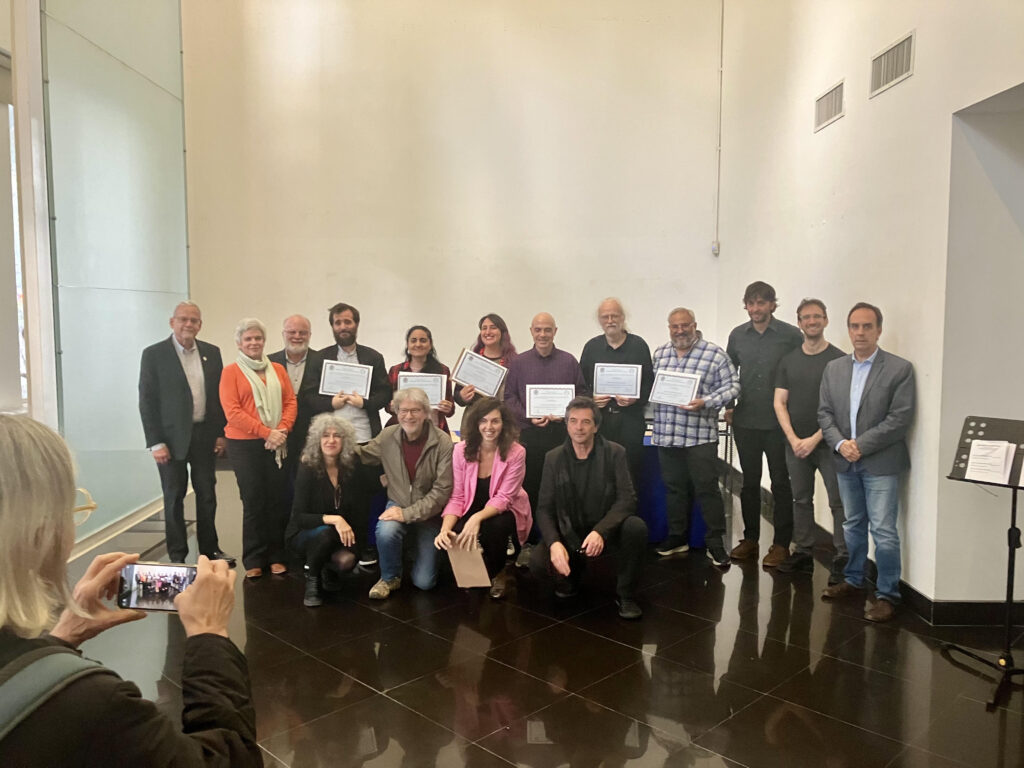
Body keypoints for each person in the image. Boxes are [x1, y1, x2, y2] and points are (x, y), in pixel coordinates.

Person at [0, 414, 259, 766]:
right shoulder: (95, 704)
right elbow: (229, 757)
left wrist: (58, 642)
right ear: (36, 528)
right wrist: (209, 636)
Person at [819, 302, 915, 622]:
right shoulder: (834, 368)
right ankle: (853, 578)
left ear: (879, 330)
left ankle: (887, 594)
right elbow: (825, 413)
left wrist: (859, 445)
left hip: (881, 463)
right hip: (845, 461)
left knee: (884, 530)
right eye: (854, 326)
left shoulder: (899, 369)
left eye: (867, 326)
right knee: (852, 524)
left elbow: (899, 419)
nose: (860, 333)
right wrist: (840, 443)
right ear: (847, 330)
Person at [530, 397, 648, 620]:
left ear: (596, 426)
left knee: (636, 527)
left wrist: (600, 531)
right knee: (537, 562)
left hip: (605, 529)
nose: (579, 427)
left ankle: (626, 595)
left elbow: (627, 499)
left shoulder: (615, 453)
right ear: (566, 425)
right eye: (573, 421)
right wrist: (554, 543)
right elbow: (544, 509)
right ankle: (569, 581)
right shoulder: (553, 458)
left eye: (585, 422)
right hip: (569, 531)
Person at [138, 301, 234, 566]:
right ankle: (178, 556)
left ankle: (209, 551)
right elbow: (147, 401)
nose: (188, 324)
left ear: (200, 325)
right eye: (183, 319)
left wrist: (220, 433)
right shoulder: (154, 354)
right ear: (172, 322)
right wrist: (155, 442)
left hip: (204, 435)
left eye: (194, 320)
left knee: (207, 494)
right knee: (174, 496)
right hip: (169, 440)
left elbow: (218, 396)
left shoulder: (212, 353)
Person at [652, 308, 740, 567]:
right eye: (674, 326)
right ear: (669, 328)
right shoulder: (660, 354)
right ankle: (677, 537)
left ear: (694, 325)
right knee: (674, 489)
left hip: (699, 436)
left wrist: (707, 401)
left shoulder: (714, 354)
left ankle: (715, 542)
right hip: (667, 435)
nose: (680, 331)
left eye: (685, 325)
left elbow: (733, 385)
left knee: (707, 489)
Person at [726, 281, 803, 567]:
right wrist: (729, 407)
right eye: (751, 302)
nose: (756, 308)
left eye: (762, 302)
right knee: (748, 482)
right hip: (745, 420)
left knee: (781, 482)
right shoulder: (737, 335)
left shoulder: (790, 335)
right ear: (745, 305)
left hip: (778, 423)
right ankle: (750, 540)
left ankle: (781, 544)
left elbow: (800, 371)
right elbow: (728, 374)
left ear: (772, 304)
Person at [310, 302, 391, 567]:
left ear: (356, 324)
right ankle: (339, 546)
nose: (343, 327)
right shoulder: (319, 357)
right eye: (338, 323)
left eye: (348, 322)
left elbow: (385, 394)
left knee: (368, 493)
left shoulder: (373, 357)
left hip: (365, 437)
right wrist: (329, 404)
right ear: (332, 326)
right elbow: (308, 397)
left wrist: (365, 402)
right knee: (336, 494)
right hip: (332, 441)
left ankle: (367, 545)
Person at [772, 299, 848, 580]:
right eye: (806, 317)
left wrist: (815, 438)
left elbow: (843, 407)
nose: (812, 321)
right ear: (799, 323)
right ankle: (803, 551)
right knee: (800, 498)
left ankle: (842, 557)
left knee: (837, 502)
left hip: (830, 444)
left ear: (826, 320)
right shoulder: (788, 360)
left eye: (817, 316)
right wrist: (793, 439)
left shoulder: (840, 360)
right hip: (796, 445)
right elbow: (780, 402)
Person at [357, 388, 454, 600]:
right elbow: (363, 455)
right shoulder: (387, 436)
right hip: (398, 502)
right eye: (403, 410)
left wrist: (407, 514)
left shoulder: (443, 441)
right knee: (385, 530)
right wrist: (334, 445)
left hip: (430, 513)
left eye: (415, 410)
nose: (408, 416)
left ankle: (416, 550)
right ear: (396, 412)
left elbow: (442, 491)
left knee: (424, 583)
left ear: (426, 412)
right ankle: (390, 577)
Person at [220, 317, 297, 579]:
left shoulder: (278, 368)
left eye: (258, 338)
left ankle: (277, 555)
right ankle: (254, 557)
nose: (254, 342)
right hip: (244, 445)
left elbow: (290, 402)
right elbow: (232, 412)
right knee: (253, 501)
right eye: (248, 339)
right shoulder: (230, 372)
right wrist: (267, 432)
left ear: (264, 341)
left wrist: (282, 430)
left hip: (278, 442)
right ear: (240, 343)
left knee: (277, 500)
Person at [434, 397, 532, 599]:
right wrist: (445, 529)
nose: (489, 427)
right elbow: (458, 496)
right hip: (471, 504)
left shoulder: (517, 452)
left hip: (507, 508)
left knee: (496, 527)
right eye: (483, 421)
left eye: (495, 421)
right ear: (476, 423)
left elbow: (504, 497)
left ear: (504, 423)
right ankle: (474, 574)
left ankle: (499, 573)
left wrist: (476, 518)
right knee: (454, 532)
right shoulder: (461, 450)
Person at [504, 312, 586, 543]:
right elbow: (509, 398)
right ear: (531, 332)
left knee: (562, 488)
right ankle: (528, 542)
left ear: (555, 332)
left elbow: (581, 393)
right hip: (529, 438)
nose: (542, 334)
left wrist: (566, 414)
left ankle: (562, 540)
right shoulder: (518, 363)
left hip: (562, 437)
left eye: (547, 330)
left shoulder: (569, 361)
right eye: (538, 330)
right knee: (530, 490)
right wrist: (529, 417)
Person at [284, 414, 364, 608]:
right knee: (325, 533)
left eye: (337, 436)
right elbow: (299, 518)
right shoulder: (307, 467)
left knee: (348, 561)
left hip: (337, 534)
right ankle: (312, 580)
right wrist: (334, 519)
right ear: (316, 440)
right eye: (325, 435)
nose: (331, 440)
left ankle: (326, 568)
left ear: (345, 441)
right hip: (304, 533)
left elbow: (359, 509)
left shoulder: (351, 466)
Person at [579, 297, 654, 486]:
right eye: (605, 317)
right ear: (599, 320)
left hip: (631, 421)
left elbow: (649, 385)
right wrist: (592, 399)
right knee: (599, 474)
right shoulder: (591, 347)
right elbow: (581, 386)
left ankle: (629, 515)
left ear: (623, 317)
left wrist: (635, 399)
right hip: (600, 422)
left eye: (614, 315)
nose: (610, 320)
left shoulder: (639, 346)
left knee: (631, 474)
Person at [269, 314, 323, 486]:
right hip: (279, 433)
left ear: (310, 335)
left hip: (312, 433)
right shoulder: (268, 362)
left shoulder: (323, 361)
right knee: (279, 483)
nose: (297, 336)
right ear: (283, 334)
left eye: (303, 332)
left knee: (310, 482)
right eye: (292, 332)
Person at [384, 325, 455, 434]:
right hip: (403, 430)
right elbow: (388, 407)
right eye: (413, 340)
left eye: (423, 340)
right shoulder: (396, 371)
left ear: (430, 345)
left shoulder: (442, 370)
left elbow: (450, 410)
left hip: (434, 430)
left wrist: (447, 407)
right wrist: (392, 406)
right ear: (407, 345)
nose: (418, 344)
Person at [454, 313, 517, 406]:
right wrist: (462, 397)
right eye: (484, 328)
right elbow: (457, 396)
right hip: (474, 417)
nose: (488, 332)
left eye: (493, 327)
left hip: (502, 417)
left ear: (502, 332)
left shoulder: (514, 362)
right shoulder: (471, 361)